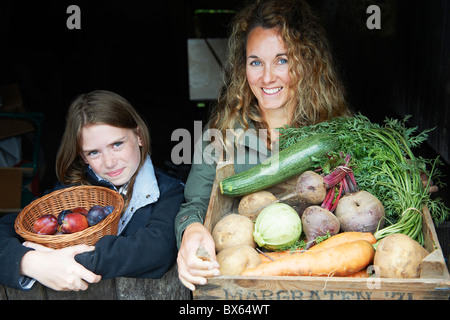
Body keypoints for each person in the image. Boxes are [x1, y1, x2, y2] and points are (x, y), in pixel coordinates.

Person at [175, 0, 352, 291]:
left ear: (307, 62)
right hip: (241, 283)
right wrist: (191, 231)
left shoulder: (338, 132)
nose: (267, 77)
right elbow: (194, 204)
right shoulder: (220, 132)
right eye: (255, 61)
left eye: (282, 60)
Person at [0, 90, 185, 291]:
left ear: (139, 136)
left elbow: (157, 249)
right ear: (83, 156)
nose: (110, 162)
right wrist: (31, 262)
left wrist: (65, 260)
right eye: (94, 152)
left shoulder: (169, 192)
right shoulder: (71, 193)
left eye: (117, 144)